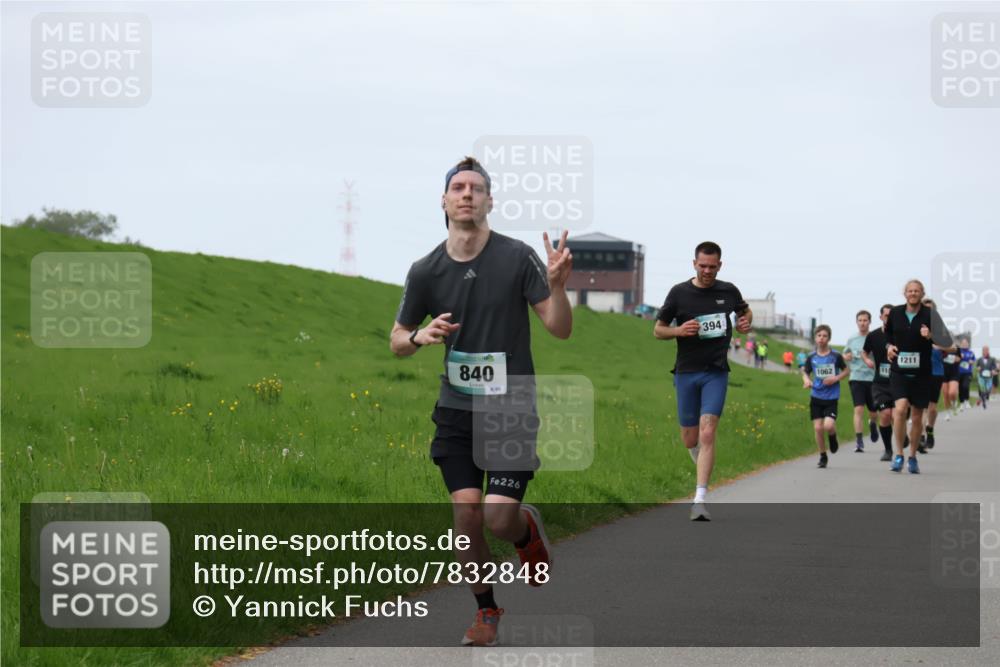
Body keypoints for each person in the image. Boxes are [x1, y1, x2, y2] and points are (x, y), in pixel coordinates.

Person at [391, 156, 573, 647]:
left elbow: (559, 328)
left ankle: (523, 529)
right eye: (458, 187)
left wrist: (557, 287)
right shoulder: (425, 269)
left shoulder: (516, 257)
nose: (467, 193)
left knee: (497, 517)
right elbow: (397, 339)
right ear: (445, 201)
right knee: (467, 516)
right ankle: (486, 610)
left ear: (490, 200)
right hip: (456, 409)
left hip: (510, 406)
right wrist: (421, 335)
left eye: (476, 187)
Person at [654, 241, 752, 521]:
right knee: (690, 438)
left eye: (712, 266)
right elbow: (658, 330)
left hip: (716, 371)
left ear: (720, 266)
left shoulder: (728, 291)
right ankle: (702, 464)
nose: (707, 270)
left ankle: (699, 499)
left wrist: (746, 323)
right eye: (702, 266)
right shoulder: (679, 293)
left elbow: (745, 313)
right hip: (686, 372)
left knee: (708, 432)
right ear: (694, 264)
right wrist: (679, 331)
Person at [884, 280, 953, 474]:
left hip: (923, 373)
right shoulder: (896, 313)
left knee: (916, 417)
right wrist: (889, 347)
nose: (913, 293)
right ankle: (899, 454)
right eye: (910, 291)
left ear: (922, 293)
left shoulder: (930, 315)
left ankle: (912, 456)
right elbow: (887, 335)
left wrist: (930, 335)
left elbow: (947, 342)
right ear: (904, 293)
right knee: (899, 409)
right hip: (899, 371)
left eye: (916, 291)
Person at [802, 325, 849, 468]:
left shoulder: (835, 356)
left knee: (828, 425)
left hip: (831, 397)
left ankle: (833, 436)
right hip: (816, 395)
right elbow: (805, 372)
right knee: (817, 428)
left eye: (824, 336)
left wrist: (835, 378)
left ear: (829, 338)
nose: (821, 338)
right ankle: (823, 456)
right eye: (819, 336)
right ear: (815, 338)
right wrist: (807, 380)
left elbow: (846, 370)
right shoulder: (811, 357)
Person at [862, 304, 897, 461]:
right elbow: (864, 351)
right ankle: (888, 450)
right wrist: (867, 360)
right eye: (886, 315)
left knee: (897, 417)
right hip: (880, 383)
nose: (888, 318)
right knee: (885, 414)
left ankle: (902, 436)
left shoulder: (901, 335)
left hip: (899, 382)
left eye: (892, 315)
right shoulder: (874, 335)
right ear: (881, 317)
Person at [842, 310, 878, 452]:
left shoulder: (874, 338)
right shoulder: (852, 339)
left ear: (869, 322)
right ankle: (859, 440)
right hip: (856, 377)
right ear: (856, 322)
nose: (862, 323)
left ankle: (873, 424)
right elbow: (845, 353)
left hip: (872, 378)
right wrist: (847, 356)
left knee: (873, 412)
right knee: (858, 409)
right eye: (860, 320)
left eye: (865, 320)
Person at [920, 298, 945, 450]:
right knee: (922, 407)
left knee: (932, 408)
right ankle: (921, 437)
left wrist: (931, 340)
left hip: (936, 371)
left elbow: (948, 346)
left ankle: (930, 429)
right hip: (920, 371)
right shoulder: (916, 327)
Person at [958, 339, 976, 411]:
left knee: (965, 386)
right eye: (963, 343)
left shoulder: (971, 353)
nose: (964, 344)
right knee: (960, 388)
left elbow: (974, 360)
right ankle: (961, 403)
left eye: (966, 343)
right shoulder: (959, 352)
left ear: (968, 344)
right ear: (961, 344)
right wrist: (959, 357)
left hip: (967, 373)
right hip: (959, 372)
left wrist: (972, 361)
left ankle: (967, 401)